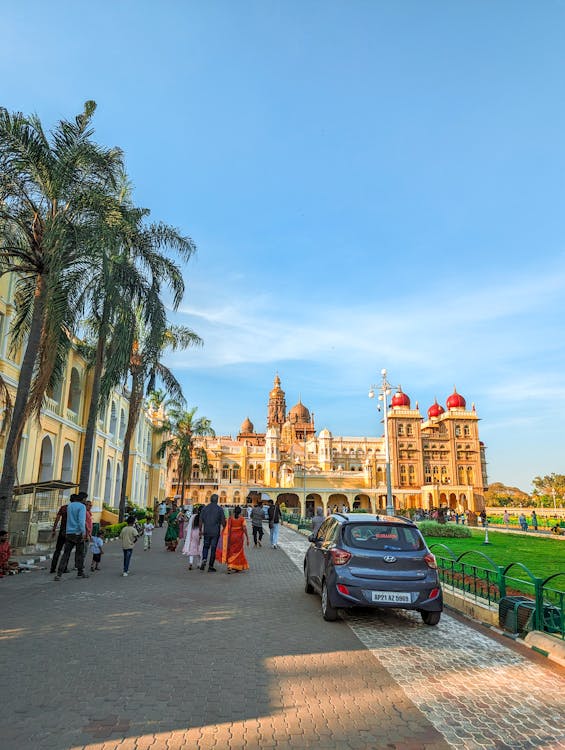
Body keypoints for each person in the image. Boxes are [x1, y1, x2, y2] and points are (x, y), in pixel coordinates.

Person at [54, 494, 87, 580]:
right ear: (82, 499)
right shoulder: (82, 507)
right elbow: (81, 521)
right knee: (80, 554)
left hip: (69, 532)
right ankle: (80, 573)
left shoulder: (69, 506)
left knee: (66, 554)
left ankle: (59, 574)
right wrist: (83, 532)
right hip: (78, 533)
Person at [199, 494, 226, 572]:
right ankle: (210, 566)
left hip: (206, 531)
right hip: (215, 532)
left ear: (210, 499)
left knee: (205, 546)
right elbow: (223, 521)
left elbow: (201, 520)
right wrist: (224, 528)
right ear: (217, 500)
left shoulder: (205, 508)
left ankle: (204, 559)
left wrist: (200, 530)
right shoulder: (219, 509)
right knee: (213, 549)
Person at [219, 505, 249, 573]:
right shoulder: (242, 519)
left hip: (231, 537)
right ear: (240, 512)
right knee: (238, 552)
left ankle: (230, 565)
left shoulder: (230, 518)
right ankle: (235, 565)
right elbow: (244, 528)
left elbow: (227, 527)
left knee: (231, 551)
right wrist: (247, 538)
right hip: (239, 538)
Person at [50, 499, 68, 574]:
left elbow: (57, 518)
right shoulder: (75, 508)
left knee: (57, 550)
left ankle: (52, 568)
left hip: (62, 531)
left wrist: (54, 529)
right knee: (67, 551)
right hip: (69, 532)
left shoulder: (63, 507)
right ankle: (64, 568)